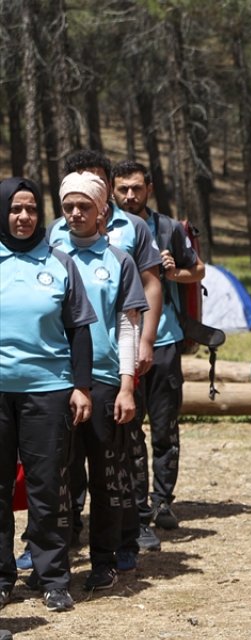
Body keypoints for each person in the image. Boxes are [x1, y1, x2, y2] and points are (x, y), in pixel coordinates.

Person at [45, 151, 164, 565]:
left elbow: (128, 323)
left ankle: (116, 548)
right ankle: (52, 555)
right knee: (62, 471)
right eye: (68, 206)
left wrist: (127, 382)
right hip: (58, 378)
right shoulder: (50, 252)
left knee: (108, 471)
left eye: (84, 206)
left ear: (102, 212)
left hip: (106, 376)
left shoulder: (120, 257)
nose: (75, 213)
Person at [0, 177, 98, 612]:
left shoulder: (58, 261)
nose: (23, 217)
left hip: (49, 391)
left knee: (46, 489)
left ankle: (51, 576)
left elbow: (79, 330)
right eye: (15, 209)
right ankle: (2, 577)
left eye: (31, 210)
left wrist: (81, 387)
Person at [109, 160, 204, 547]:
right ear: (112, 192)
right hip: (121, 344)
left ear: (148, 187)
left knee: (164, 428)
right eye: (122, 190)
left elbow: (197, 271)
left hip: (165, 341)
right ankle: (139, 511)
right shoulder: (105, 229)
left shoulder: (167, 228)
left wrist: (170, 273)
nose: (129, 196)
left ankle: (163, 500)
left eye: (136, 188)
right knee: (129, 433)